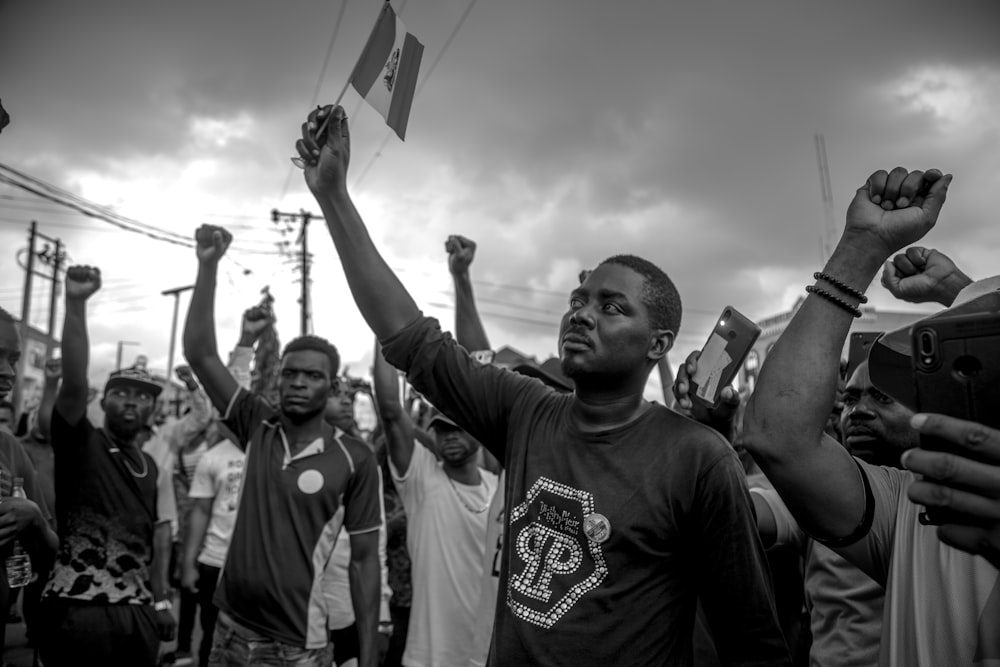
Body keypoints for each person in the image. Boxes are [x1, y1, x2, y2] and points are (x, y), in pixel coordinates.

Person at [295, 104, 789, 666]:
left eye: (611, 307)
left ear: (658, 344)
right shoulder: (526, 410)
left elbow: (752, 638)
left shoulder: (699, 459)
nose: (581, 314)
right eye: (578, 301)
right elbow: (411, 338)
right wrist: (333, 195)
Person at [743, 167, 999, 664]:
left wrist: (960, 292)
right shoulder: (914, 510)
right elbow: (779, 437)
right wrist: (862, 247)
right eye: (850, 399)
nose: (858, 412)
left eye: (885, 397)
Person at [183, 227, 382, 667]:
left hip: (296, 643)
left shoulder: (356, 459)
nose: (298, 382)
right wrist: (208, 265)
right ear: (278, 378)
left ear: (330, 386)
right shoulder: (259, 425)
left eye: (312, 376)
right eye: (291, 373)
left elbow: (365, 563)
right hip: (229, 628)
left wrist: (368, 659)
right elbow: (200, 354)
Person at [39, 266, 176, 666]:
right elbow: (75, 383)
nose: (132, 401)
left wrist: (161, 598)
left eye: (142, 395)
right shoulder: (80, 442)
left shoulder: (152, 467)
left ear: (153, 406)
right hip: (76, 605)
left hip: (136, 610)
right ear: (104, 402)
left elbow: (159, 540)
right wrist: (77, 304)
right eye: (121, 393)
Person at [0, 306, 57, 662]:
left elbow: (50, 552)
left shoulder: (10, 449)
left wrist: (33, 518)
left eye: (14, 359)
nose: (7, 372)